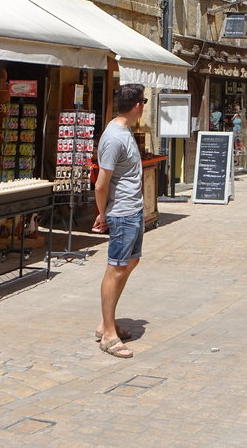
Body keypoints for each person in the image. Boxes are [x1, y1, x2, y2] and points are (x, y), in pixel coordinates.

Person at [93, 83, 148, 359]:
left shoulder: (124, 132)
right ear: (137, 106)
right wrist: (103, 214)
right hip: (122, 212)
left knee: (131, 261)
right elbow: (101, 184)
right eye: (144, 102)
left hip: (134, 210)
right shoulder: (114, 137)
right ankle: (108, 336)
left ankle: (107, 321)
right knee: (115, 268)